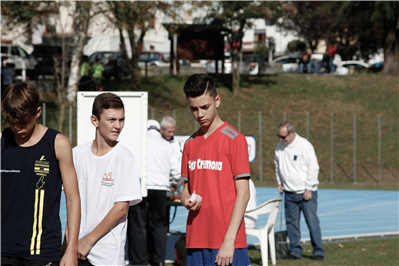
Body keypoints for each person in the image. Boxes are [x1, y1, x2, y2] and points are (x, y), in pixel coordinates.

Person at [0, 82, 81, 266]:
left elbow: (72, 198)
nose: (16, 127)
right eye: (11, 122)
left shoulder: (58, 143)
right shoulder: (1, 141)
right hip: (3, 249)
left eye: (22, 122)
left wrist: (71, 250)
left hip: (41, 252)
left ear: (37, 113)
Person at [180, 74, 251, 266]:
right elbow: (185, 189)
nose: (199, 114)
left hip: (226, 242)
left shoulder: (234, 139)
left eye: (205, 107)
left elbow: (243, 194)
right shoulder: (189, 144)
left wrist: (229, 240)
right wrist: (185, 199)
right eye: (193, 109)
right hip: (195, 239)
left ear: (217, 100)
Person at [71, 92, 142, 266]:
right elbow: (72, 202)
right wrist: (68, 244)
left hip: (106, 256)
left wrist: (88, 241)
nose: (118, 126)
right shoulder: (77, 154)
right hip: (76, 249)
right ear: (94, 120)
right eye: (111, 120)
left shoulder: (125, 159)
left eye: (121, 119)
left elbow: (121, 208)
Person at [127, 119, 181, 266]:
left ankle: (138, 261)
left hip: (141, 188)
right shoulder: (166, 145)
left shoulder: (139, 143)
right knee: (159, 226)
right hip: (160, 188)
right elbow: (177, 171)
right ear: (159, 130)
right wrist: (174, 185)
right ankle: (159, 261)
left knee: (138, 226)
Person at [274, 121, 324, 261]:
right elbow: (277, 165)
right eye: (279, 136)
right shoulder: (280, 146)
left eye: (283, 136)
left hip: (305, 192)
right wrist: (280, 182)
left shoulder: (304, 146)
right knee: (291, 223)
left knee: (312, 222)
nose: (280, 139)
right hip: (289, 192)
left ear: (291, 133)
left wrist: (308, 188)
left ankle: (318, 251)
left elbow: (313, 168)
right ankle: (295, 251)